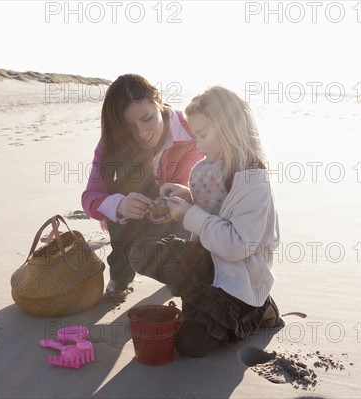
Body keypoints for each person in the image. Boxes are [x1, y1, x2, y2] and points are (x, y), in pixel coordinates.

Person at [129, 86, 283, 357]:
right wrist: (186, 198)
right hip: (209, 263)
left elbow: (238, 244)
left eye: (202, 135)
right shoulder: (207, 170)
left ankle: (259, 311)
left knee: (190, 345)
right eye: (194, 135)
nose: (198, 145)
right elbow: (214, 211)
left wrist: (189, 214)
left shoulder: (253, 180)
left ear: (228, 129)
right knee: (142, 253)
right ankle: (201, 306)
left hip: (240, 279)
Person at [81, 74, 204, 301]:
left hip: (181, 219)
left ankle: (184, 268)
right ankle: (120, 274)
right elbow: (90, 198)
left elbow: (208, 189)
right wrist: (119, 205)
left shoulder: (193, 132)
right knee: (121, 192)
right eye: (130, 127)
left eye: (147, 118)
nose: (141, 133)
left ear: (159, 102)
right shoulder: (112, 141)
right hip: (129, 224)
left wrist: (182, 196)